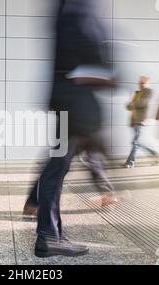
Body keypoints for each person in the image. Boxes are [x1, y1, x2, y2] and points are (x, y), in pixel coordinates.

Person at [22, 0, 117, 258]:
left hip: (69, 101)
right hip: (77, 103)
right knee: (58, 166)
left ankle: (46, 229)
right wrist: (111, 63)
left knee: (57, 164)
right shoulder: (80, 5)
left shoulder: (66, 5)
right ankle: (49, 236)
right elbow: (91, 47)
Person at [124, 76, 157, 168]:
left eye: (143, 83)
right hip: (134, 120)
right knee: (136, 142)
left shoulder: (148, 92)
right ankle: (151, 151)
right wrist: (131, 104)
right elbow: (128, 106)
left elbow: (143, 103)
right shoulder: (137, 93)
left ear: (147, 83)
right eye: (140, 83)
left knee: (135, 142)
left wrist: (132, 104)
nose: (141, 84)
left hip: (141, 120)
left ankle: (130, 162)